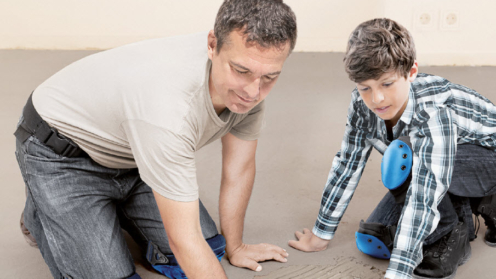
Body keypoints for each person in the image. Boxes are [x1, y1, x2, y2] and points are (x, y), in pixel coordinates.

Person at [14, 0, 297, 278]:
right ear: (212, 45)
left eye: (270, 76)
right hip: (61, 155)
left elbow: (240, 169)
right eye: (241, 71)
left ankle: (109, 210)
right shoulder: (168, 108)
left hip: (134, 155)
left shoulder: (251, 80)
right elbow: (183, 241)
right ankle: (40, 213)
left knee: (211, 250)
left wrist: (236, 247)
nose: (253, 91)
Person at [288, 18, 496, 279]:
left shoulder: (433, 113)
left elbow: (424, 196)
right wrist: (321, 234)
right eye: (365, 88)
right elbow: (348, 164)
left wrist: (398, 274)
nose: (377, 99)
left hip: (487, 160)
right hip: (437, 161)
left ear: (411, 72)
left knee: (407, 156)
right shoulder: (363, 104)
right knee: (374, 239)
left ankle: (462, 222)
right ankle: (456, 206)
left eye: (387, 84)